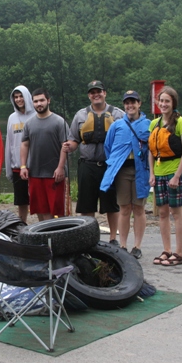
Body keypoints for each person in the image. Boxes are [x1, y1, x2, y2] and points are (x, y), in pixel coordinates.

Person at [62, 81, 124, 244]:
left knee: (111, 204)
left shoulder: (118, 114)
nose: (96, 95)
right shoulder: (80, 115)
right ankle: (90, 238)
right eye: (92, 92)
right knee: (86, 205)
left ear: (105, 93)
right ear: (89, 95)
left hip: (109, 166)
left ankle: (113, 238)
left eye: (99, 91)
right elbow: (74, 139)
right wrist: (70, 147)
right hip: (87, 165)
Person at [101, 91, 151, 259]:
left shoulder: (148, 124)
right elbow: (108, 148)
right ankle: (122, 244)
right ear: (124, 105)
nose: (130, 106)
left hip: (141, 171)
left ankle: (137, 246)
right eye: (127, 103)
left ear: (139, 103)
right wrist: (114, 165)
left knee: (138, 207)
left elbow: (152, 149)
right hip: (122, 171)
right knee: (124, 208)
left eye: (133, 102)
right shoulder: (117, 125)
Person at [148, 86, 182, 266]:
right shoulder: (155, 124)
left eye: (167, 101)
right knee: (163, 213)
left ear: (173, 103)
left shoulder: (180, 122)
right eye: (161, 101)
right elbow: (151, 151)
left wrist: (177, 176)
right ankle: (166, 249)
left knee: (176, 212)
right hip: (159, 173)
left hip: (174, 172)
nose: (164, 104)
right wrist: (151, 173)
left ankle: (179, 253)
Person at [20, 88, 68, 221]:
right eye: (35, 101)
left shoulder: (59, 122)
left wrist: (60, 167)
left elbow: (65, 146)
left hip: (54, 174)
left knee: (56, 211)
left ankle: (57, 239)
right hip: (35, 173)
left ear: (48, 101)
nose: (39, 104)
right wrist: (23, 166)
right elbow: (24, 144)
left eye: (41, 100)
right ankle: (44, 239)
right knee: (40, 210)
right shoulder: (29, 124)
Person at [5, 85, 36, 223]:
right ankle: (22, 224)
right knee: (21, 201)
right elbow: (9, 144)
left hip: (36, 166)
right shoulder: (12, 118)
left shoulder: (37, 115)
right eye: (15, 97)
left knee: (38, 200)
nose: (18, 99)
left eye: (21, 96)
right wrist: (9, 167)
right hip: (18, 166)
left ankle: (43, 226)